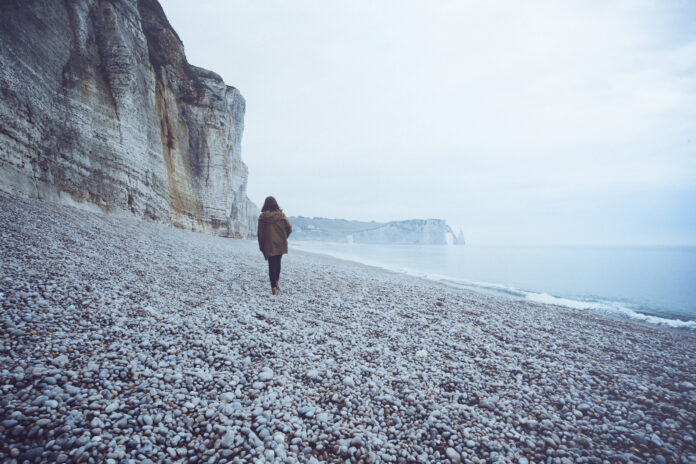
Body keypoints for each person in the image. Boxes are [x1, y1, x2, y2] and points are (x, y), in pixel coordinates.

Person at [257, 196, 292, 295]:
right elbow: (289, 227)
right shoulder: (281, 215)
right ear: (276, 204)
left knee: (271, 265)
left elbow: (260, 233)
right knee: (278, 263)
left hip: (269, 244)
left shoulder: (262, 217)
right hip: (280, 242)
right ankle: (277, 282)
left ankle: (273, 287)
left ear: (265, 204)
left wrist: (262, 245)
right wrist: (284, 237)